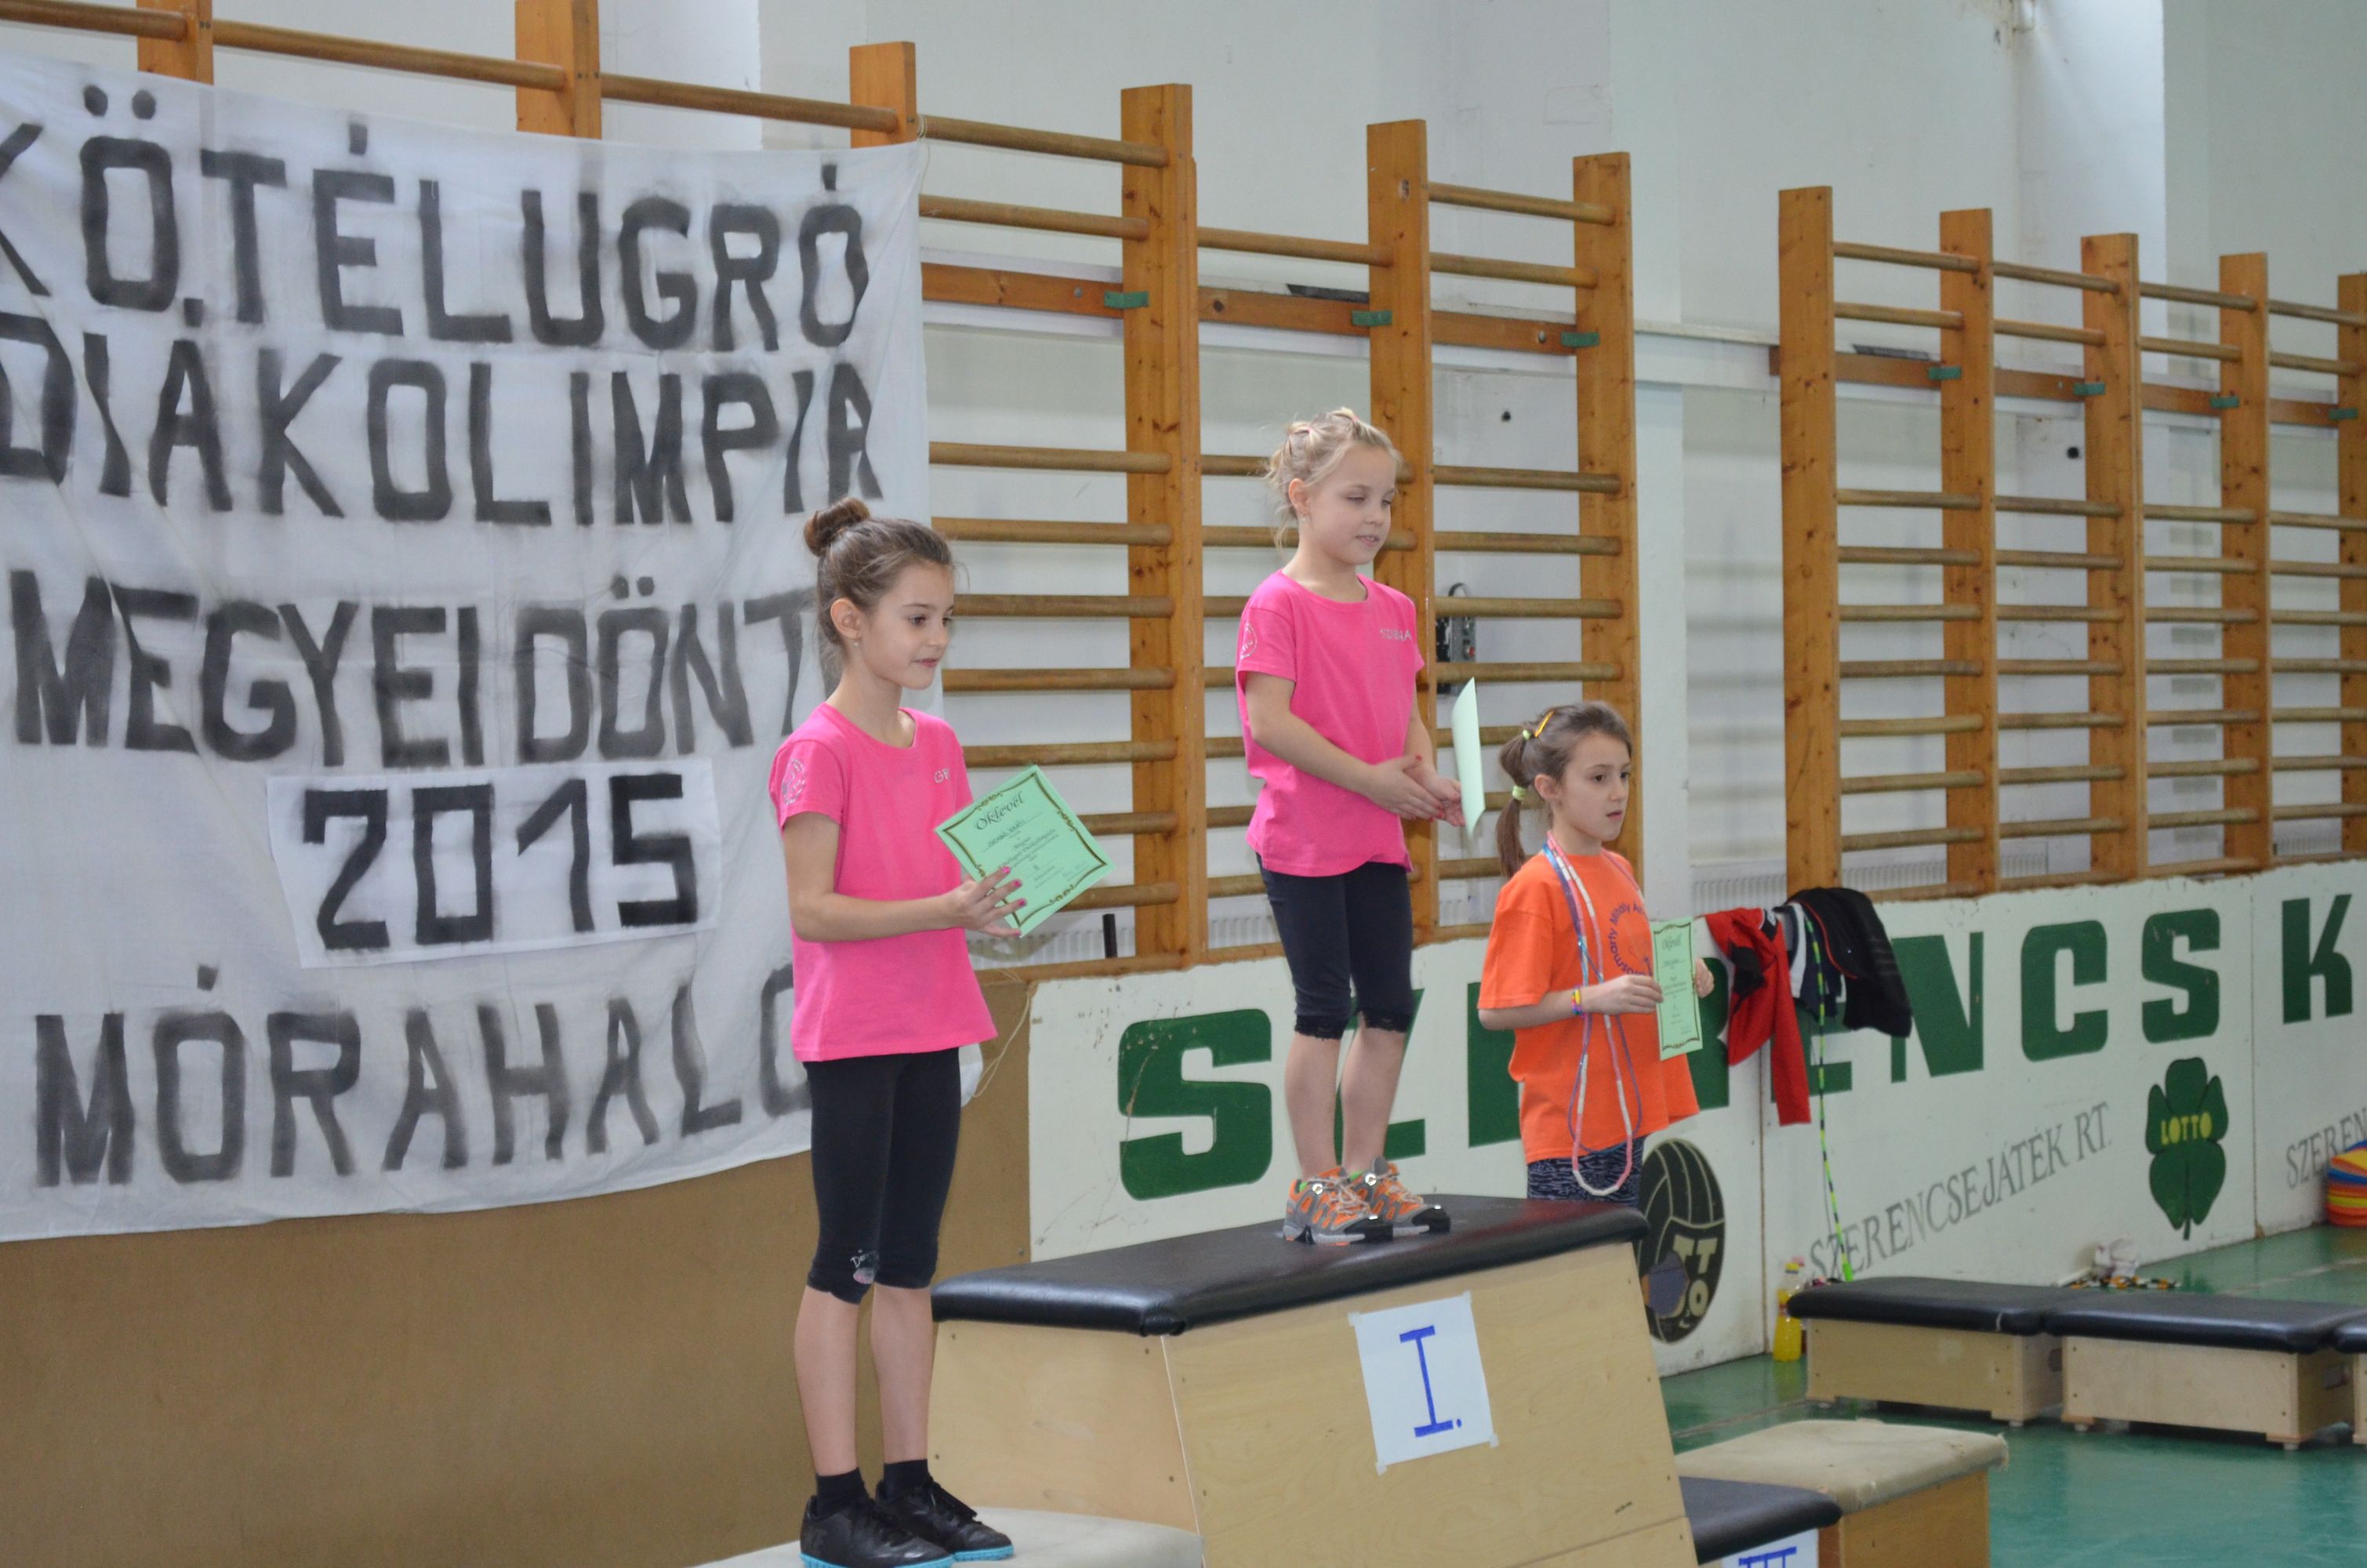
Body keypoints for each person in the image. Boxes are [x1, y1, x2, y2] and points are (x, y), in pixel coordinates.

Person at [771, 498, 1018, 1568]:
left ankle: (908, 1482)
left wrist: (984, 904)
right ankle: (834, 1503)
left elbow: (943, 880)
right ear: (848, 619)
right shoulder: (815, 751)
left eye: (946, 619)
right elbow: (813, 909)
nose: (936, 639)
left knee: (911, 1262)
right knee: (848, 1263)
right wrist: (940, 909)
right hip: (855, 1036)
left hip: (932, 1023)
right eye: (917, 619)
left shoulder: (940, 744)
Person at [1236, 408, 1461, 1244]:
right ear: (1301, 498)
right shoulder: (1277, 603)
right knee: (1323, 1008)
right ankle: (1316, 1182)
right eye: (1354, 497)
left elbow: (1406, 714)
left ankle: (1366, 1173)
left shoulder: (1394, 607)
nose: (1374, 516)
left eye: (1386, 500)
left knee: (1390, 1008)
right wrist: (1369, 780)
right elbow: (1270, 722)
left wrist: (1423, 777)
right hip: (1304, 839)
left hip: (1375, 840)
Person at [1475, 701, 1710, 1208]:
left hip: (1625, 1111)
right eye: (1598, 778)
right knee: (1579, 1259)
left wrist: (1677, 969)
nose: (1618, 792)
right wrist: (1590, 999)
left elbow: (1619, 962)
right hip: (1572, 1126)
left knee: (1619, 1253)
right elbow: (1495, 1011)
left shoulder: (1619, 869)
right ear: (1549, 788)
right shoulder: (1535, 888)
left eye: (1623, 775)